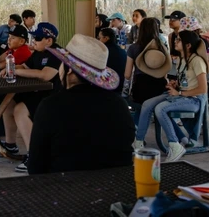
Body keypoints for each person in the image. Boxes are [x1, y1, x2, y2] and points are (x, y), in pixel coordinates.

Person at [28, 34, 134, 174]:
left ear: (69, 70)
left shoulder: (50, 106)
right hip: (115, 187)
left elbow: (35, 167)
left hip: (63, 189)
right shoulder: (119, 104)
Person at [133, 30, 209, 162]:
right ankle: (138, 142)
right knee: (147, 104)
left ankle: (174, 145)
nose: (175, 41)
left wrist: (180, 93)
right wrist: (176, 85)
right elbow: (187, 81)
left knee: (160, 108)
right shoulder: (181, 59)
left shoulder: (197, 61)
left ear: (188, 45)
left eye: (179, 40)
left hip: (194, 100)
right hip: (182, 94)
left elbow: (203, 89)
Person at [0, 23, 62, 172]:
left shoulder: (56, 54)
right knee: (8, 103)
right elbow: (25, 67)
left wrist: (15, 71)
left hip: (53, 98)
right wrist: (10, 68)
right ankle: (10, 145)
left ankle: (35, 155)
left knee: (20, 110)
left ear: (49, 40)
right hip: (36, 92)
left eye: (37, 38)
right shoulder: (38, 52)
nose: (34, 41)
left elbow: (45, 75)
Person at [124, 18, 171, 124]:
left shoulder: (133, 48)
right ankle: (181, 137)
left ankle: (137, 133)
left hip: (140, 89)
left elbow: (127, 75)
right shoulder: (162, 48)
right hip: (159, 88)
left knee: (140, 106)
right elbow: (164, 73)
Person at [98, 27, 127, 93]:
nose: (98, 41)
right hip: (119, 87)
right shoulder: (123, 52)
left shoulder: (103, 52)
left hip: (104, 87)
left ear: (106, 38)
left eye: (99, 38)